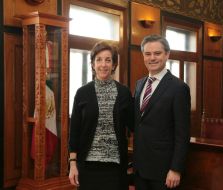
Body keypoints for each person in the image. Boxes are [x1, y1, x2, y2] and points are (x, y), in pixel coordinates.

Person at [68, 41, 133, 190]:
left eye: (108, 60)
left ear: (114, 64)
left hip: (115, 166)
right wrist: (72, 164)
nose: (103, 64)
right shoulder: (82, 93)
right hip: (87, 166)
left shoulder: (123, 93)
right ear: (92, 64)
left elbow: (135, 124)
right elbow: (74, 132)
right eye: (99, 59)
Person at [133, 34, 191, 190]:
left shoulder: (179, 88)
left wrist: (176, 169)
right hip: (140, 169)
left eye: (157, 53)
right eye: (148, 54)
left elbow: (182, 133)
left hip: (164, 172)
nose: (152, 58)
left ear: (167, 54)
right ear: (143, 56)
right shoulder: (139, 84)